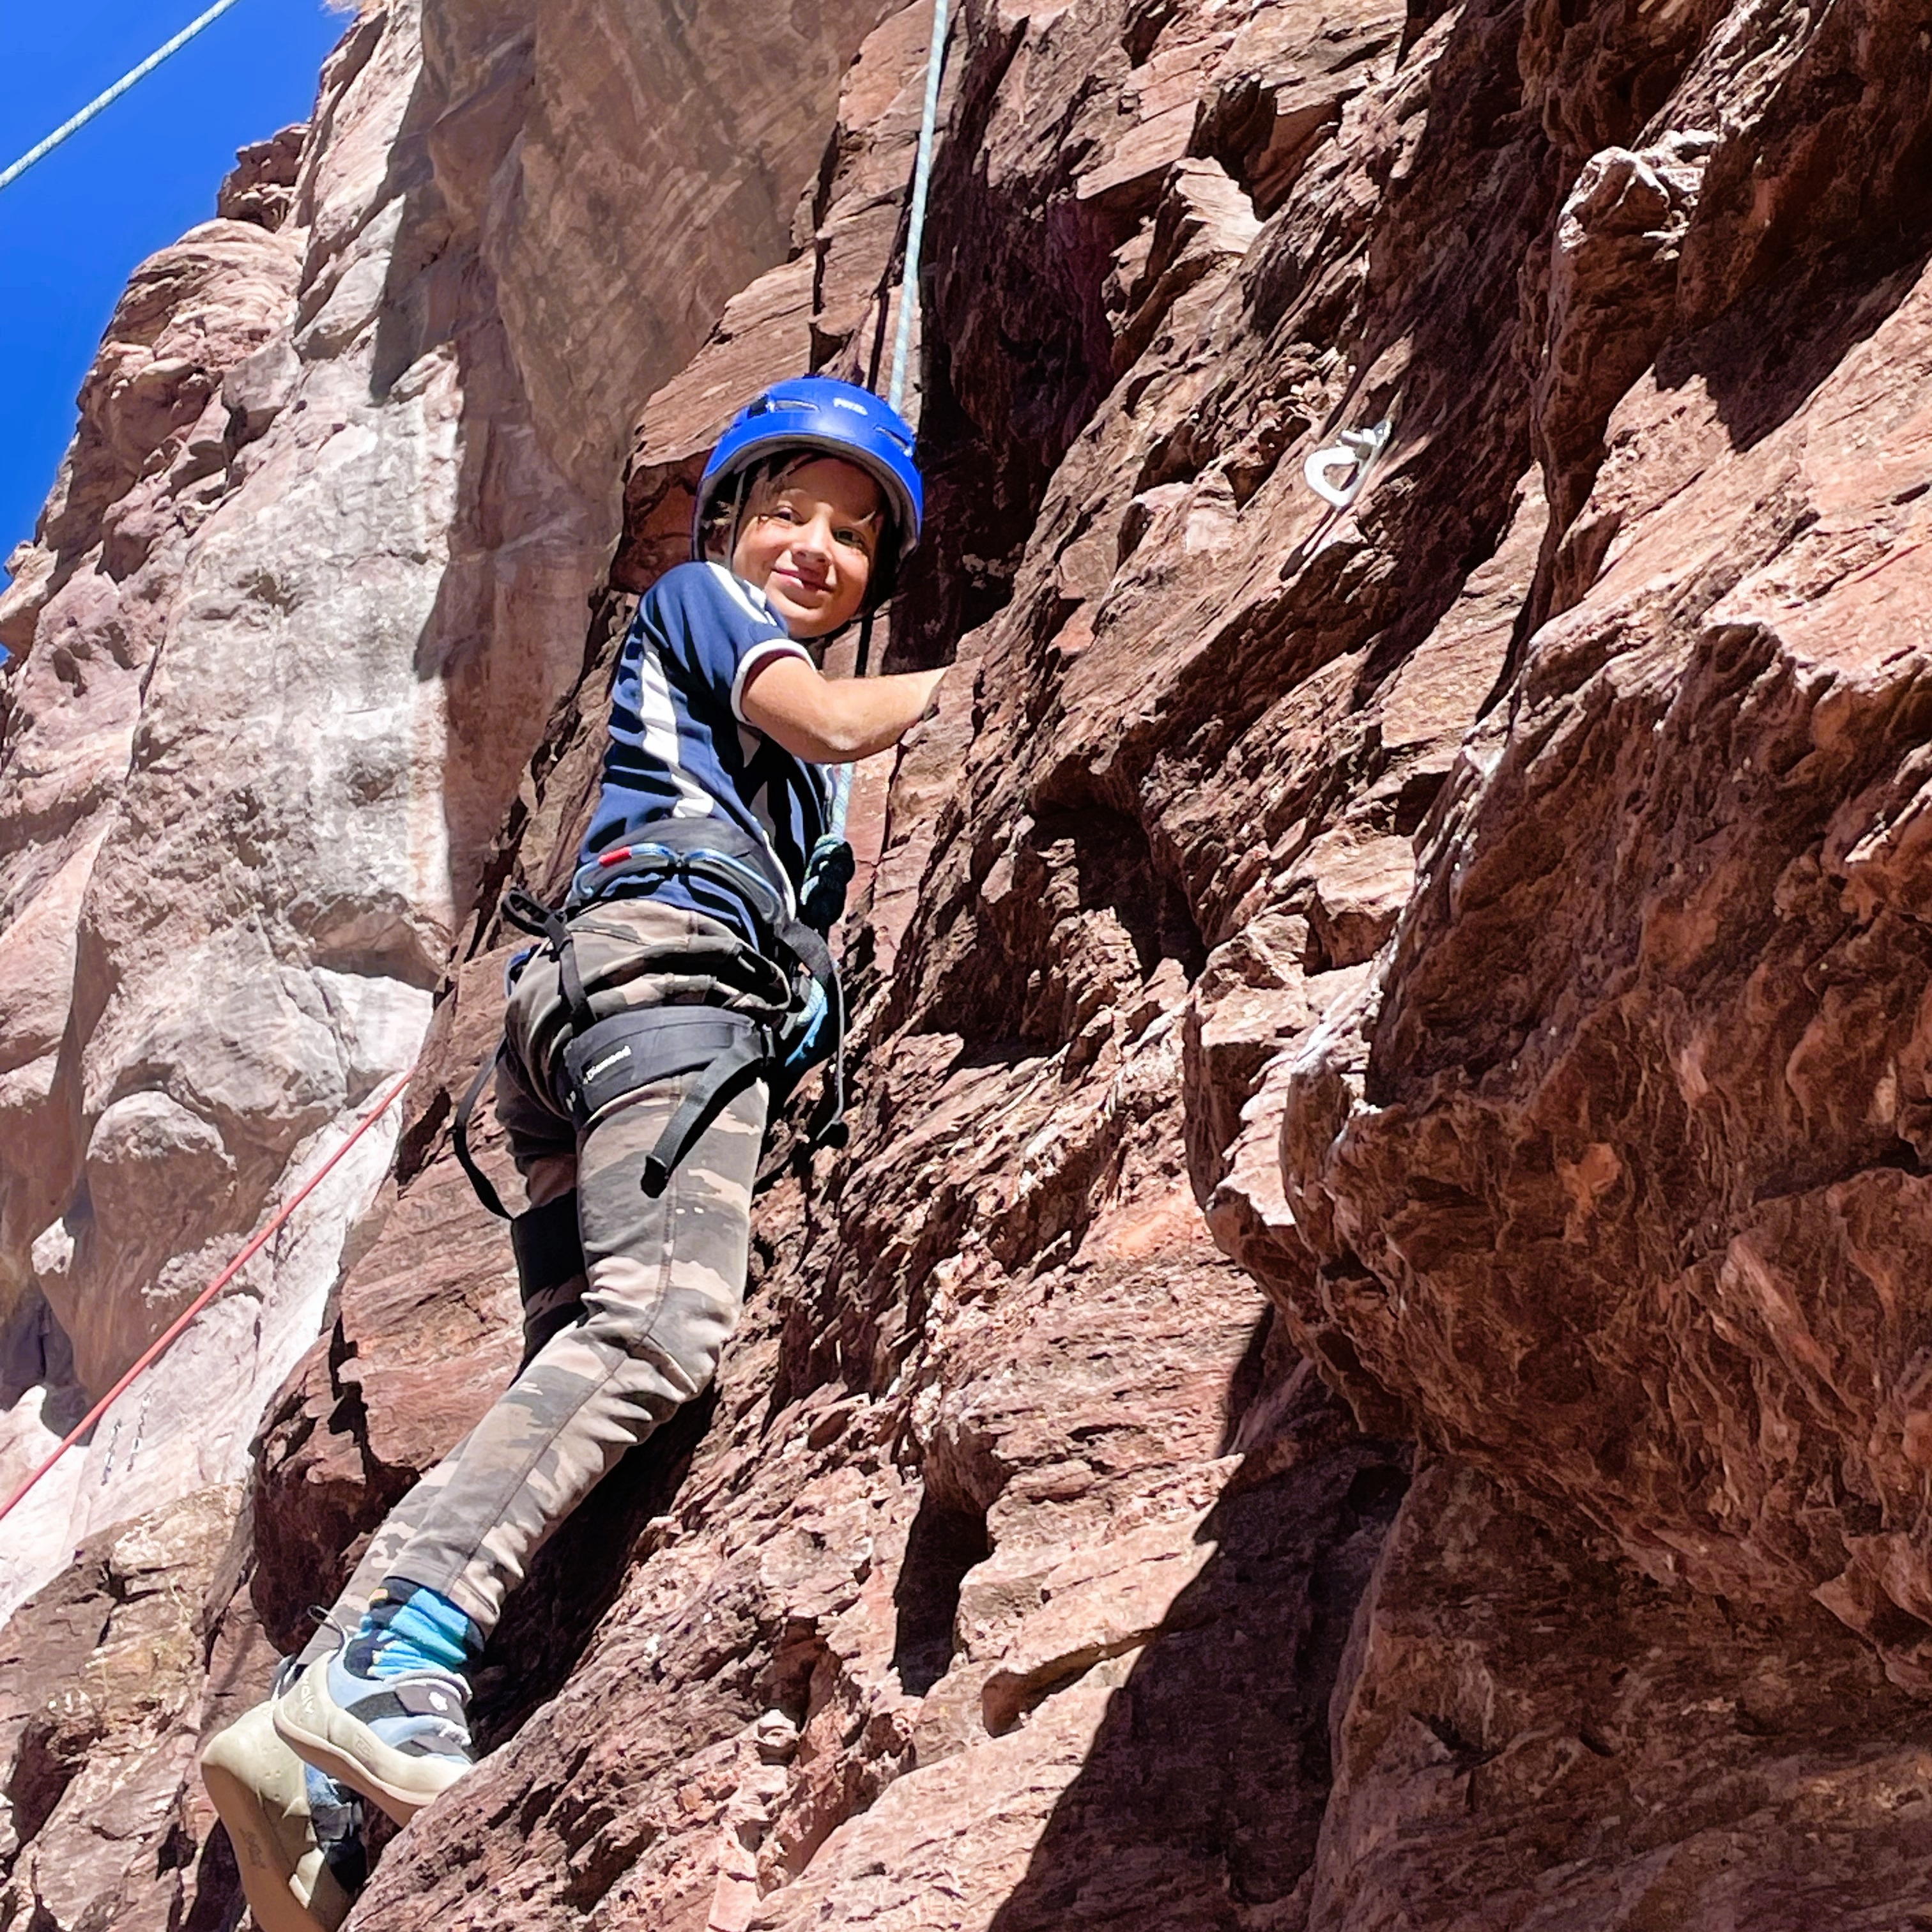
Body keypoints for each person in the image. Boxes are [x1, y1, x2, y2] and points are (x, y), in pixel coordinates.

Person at [199, 375, 945, 1928]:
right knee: (660, 1327)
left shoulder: (741, 743)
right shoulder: (701, 608)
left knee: (574, 1403)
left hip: (587, 1020)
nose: (818, 548)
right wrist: (963, 683)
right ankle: (393, 1655)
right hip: (660, 988)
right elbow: (821, 712)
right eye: (793, 513)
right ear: (730, 521)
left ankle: (319, 1773)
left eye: (855, 535)